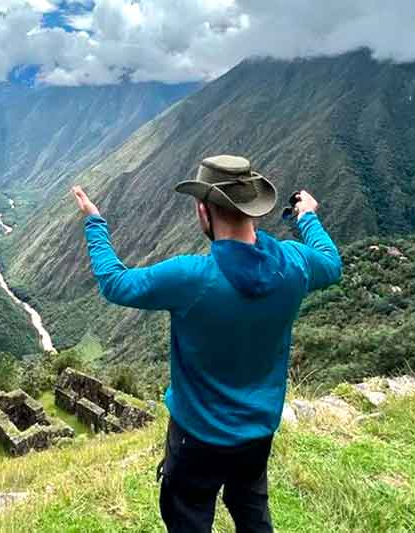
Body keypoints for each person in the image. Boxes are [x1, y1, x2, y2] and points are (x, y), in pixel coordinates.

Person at [71, 155, 342, 533]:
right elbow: (332, 263)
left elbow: (116, 283)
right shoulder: (296, 265)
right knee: (251, 508)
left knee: (188, 518)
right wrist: (307, 216)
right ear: (255, 211)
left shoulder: (192, 277)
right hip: (258, 430)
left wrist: (94, 222)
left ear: (203, 211)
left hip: (196, 436)